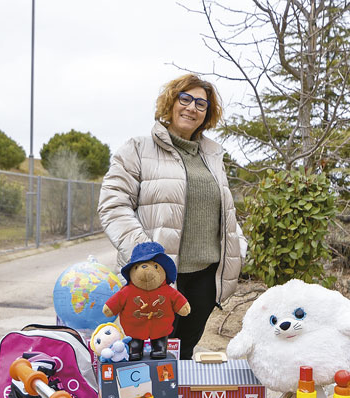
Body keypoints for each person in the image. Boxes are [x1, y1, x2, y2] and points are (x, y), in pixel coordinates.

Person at [98, 74, 246, 360]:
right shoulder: (138, 149)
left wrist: (239, 247)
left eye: (201, 104)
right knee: (147, 358)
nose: (192, 108)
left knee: (184, 353)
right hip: (154, 282)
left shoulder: (212, 156)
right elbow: (112, 205)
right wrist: (143, 255)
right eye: (185, 99)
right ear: (171, 102)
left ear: (207, 113)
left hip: (204, 278)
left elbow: (225, 212)